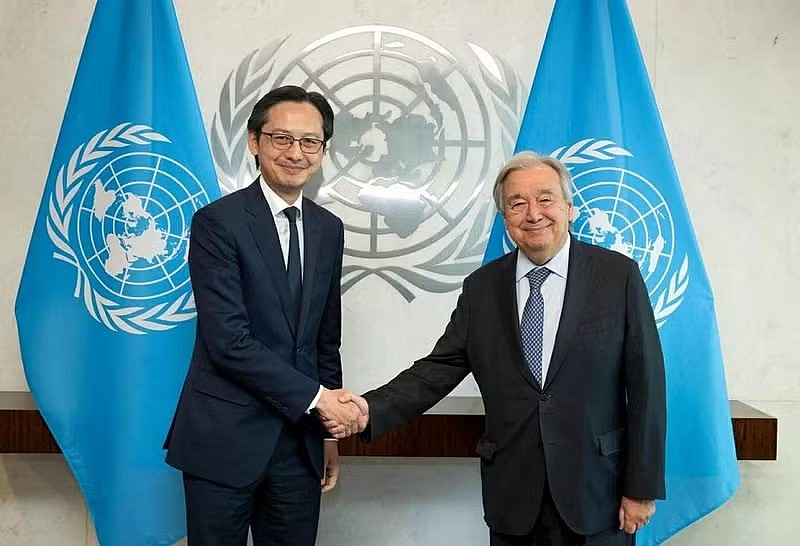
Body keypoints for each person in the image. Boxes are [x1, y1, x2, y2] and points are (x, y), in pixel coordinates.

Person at [328, 152, 666, 545]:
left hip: (598, 492)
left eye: (545, 199)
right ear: (505, 218)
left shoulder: (617, 276)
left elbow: (647, 384)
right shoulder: (482, 288)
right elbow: (436, 370)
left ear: (570, 208)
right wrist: (368, 410)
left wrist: (640, 485)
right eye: (517, 203)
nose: (533, 214)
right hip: (514, 496)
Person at [165, 85, 366, 546]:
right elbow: (229, 342)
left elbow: (323, 339)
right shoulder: (217, 223)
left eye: (310, 142)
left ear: (322, 150)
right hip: (224, 442)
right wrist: (319, 400)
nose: (296, 153)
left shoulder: (328, 228)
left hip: (299, 448)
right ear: (254, 142)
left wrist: (328, 434)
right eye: (281, 139)